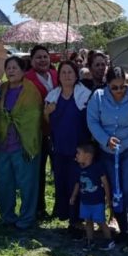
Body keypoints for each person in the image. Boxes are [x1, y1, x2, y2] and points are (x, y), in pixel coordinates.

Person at [87, 66, 128, 250]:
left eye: (123, 87)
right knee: (115, 192)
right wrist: (105, 139)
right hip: (108, 151)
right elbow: (92, 121)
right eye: (115, 87)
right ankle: (124, 231)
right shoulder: (97, 97)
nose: (120, 91)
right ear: (107, 85)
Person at [0, 56, 43, 230]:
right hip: (2, 144)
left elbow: (35, 116)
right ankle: (7, 216)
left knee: (27, 184)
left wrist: (14, 119)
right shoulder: (2, 89)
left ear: (23, 71)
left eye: (15, 68)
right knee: (4, 184)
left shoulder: (31, 91)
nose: (11, 71)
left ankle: (26, 218)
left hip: (24, 146)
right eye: (9, 68)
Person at [44, 60, 92, 235]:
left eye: (70, 72)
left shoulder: (85, 95)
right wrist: (47, 113)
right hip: (59, 148)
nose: (66, 76)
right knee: (62, 184)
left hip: (79, 149)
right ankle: (67, 217)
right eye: (63, 72)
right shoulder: (52, 96)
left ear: (76, 74)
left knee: (77, 184)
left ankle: (78, 221)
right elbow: (48, 122)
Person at [24, 45, 58, 221]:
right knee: (38, 172)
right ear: (31, 61)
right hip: (37, 131)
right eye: (38, 57)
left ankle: (60, 207)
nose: (43, 60)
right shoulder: (27, 79)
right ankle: (39, 207)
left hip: (57, 129)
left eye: (45, 56)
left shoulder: (56, 75)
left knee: (59, 170)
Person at [69, 143, 115, 251]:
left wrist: (108, 199)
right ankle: (90, 240)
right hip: (84, 201)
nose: (76, 155)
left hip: (97, 201)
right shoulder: (79, 169)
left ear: (88, 155)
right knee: (87, 221)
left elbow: (105, 183)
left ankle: (109, 240)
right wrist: (74, 196)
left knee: (101, 221)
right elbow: (78, 183)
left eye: (79, 153)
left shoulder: (97, 167)